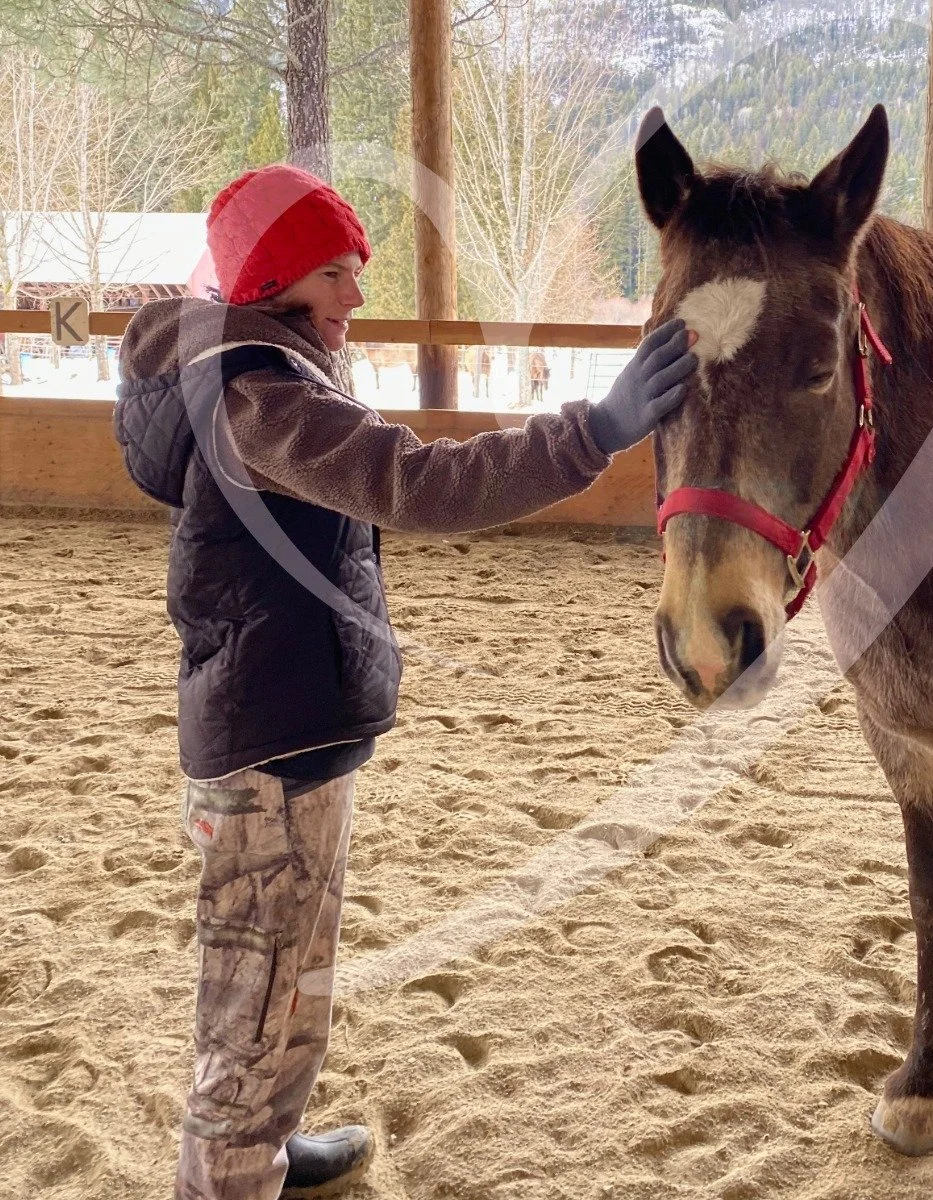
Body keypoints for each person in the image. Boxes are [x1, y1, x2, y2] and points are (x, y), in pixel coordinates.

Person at [112, 163, 697, 1200]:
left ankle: (267, 1156)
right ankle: (226, 1179)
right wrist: (591, 433)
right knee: (249, 1010)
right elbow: (415, 482)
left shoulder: (267, 362)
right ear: (275, 279)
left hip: (296, 725)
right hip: (265, 747)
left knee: (297, 985)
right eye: (335, 273)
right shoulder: (258, 398)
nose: (354, 295)